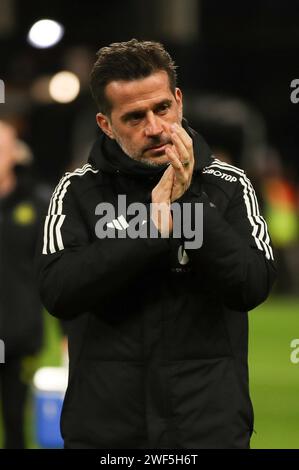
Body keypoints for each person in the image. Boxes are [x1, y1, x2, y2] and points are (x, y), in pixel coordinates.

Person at [36, 39, 276, 449]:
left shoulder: (228, 185)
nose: (154, 127)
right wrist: (152, 228)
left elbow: (251, 285)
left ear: (178, 101)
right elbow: (59, 292)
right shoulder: (76, 191)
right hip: (107, 434)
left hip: (207, 432)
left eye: (161, 108)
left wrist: (190, 206)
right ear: (105, 124)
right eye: (133, 117)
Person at [0, 120, 45, 448]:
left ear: (15, 154)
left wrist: (68, 336)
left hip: (17, 335)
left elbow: (56, 271)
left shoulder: (37, 204)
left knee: (16, 422)